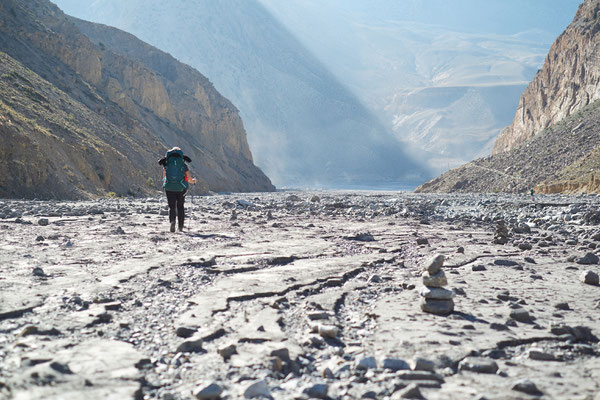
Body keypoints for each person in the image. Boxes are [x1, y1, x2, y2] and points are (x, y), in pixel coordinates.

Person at [158, 147, 197, 232]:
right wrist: (193, 181)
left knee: (171, 206)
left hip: (169, 188)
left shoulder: (167, 164)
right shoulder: (183, 165)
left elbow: (164, 177)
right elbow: (189, 179)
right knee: (180, 206)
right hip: (181, 188)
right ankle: (180, 227)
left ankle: (172, 222)